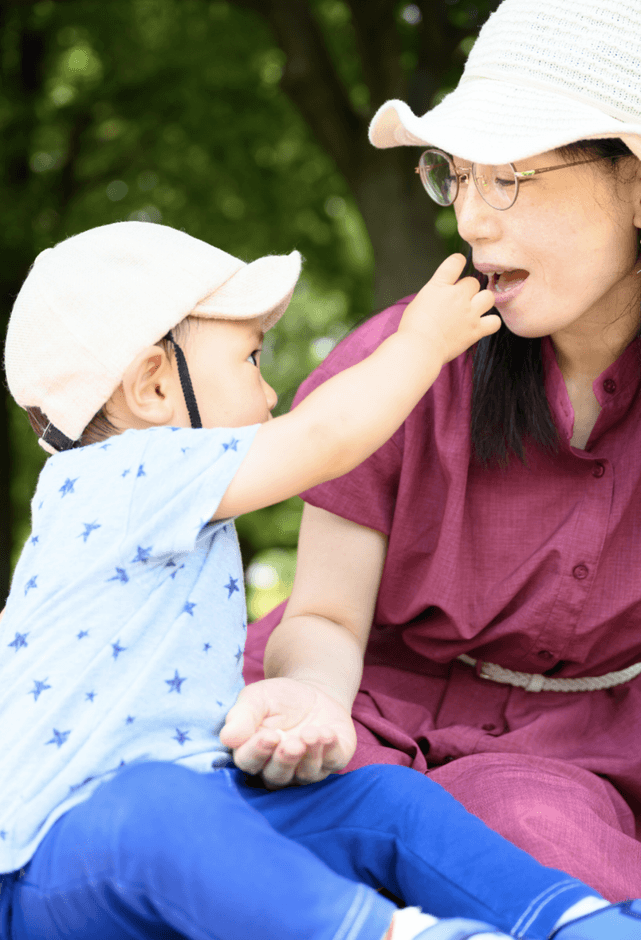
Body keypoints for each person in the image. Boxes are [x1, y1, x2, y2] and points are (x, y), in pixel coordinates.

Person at [0, 219, 619, 940]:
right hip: (63, 859)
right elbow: (323, 437)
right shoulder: (119, 478)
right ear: (153, 384)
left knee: (386, 800)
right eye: (251, 361)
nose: (269, 396)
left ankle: (575, 921)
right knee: (158, 805)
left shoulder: (158, 497)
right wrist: (421, 343)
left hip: (192, 813)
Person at [232, 0, 641, 907]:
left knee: (544, 858)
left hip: (576, 763)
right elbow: (327, 618)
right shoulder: (394, 367)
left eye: (508, 178)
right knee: (223, 846)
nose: (471, 222)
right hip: (355, 708)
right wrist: (309, 704)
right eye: (455, 177)